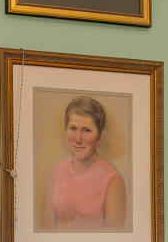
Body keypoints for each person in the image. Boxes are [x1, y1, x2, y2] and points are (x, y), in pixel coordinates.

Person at [43, 94, 127, 231]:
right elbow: (46, 229)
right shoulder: (55, 172)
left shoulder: (112, 181)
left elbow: (116, 238)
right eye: (73, 128)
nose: (78, 139)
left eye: (87, 130)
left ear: (98, 137)